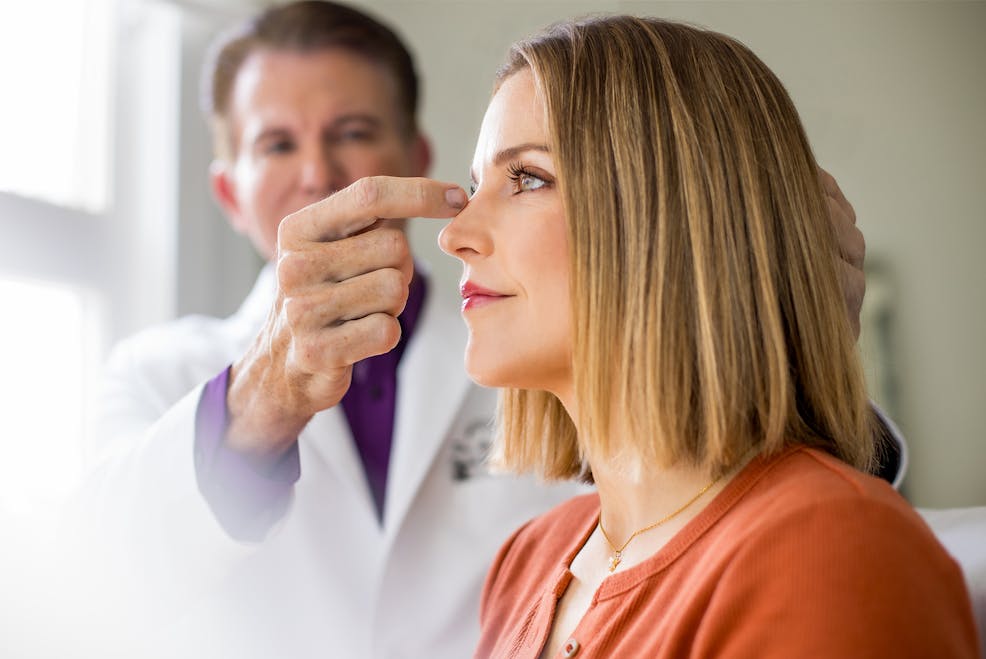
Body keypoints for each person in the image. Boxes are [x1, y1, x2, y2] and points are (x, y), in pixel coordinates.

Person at [72, 2, 897, 657]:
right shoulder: (157, 372)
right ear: (228, 191)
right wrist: (260, 399)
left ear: (411, 153)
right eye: (277, 143)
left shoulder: (527, 336)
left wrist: (777, 341)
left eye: (353, 132)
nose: (318, 172)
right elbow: (91, 585)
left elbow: (734, 522)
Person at [437, 15, 978, 658]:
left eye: (527, 177)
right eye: (476, 186)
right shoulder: (526, 563)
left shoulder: (824, 548)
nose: (454, 235)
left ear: (673, 217)